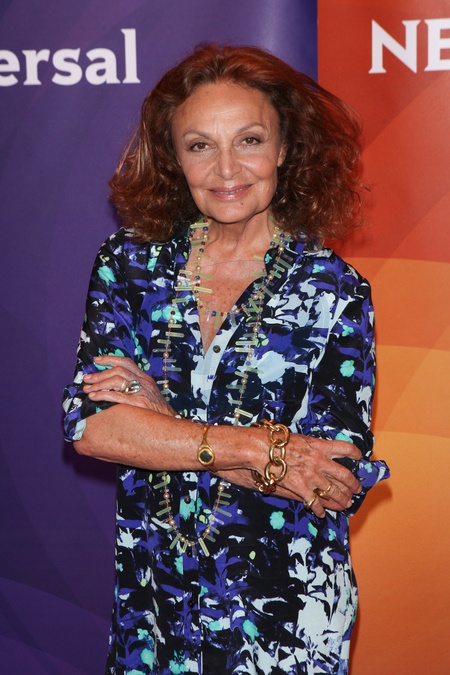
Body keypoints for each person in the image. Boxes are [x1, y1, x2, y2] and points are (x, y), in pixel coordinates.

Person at [63, 44, 389, 675]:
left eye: (249, 140)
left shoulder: (335, 290)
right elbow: (94, 427)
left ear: (284, 148)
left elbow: (329, 481)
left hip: (287, 623)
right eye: (200, 145)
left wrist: (163, 422)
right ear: (174, 157)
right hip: (155, 614)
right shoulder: (129, 265)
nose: (227, 168)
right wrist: (261, 448)